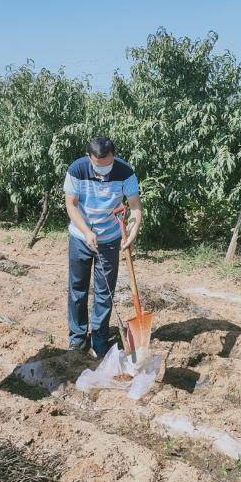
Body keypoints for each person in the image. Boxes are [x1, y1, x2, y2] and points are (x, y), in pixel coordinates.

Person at [63, 137, 142, 358]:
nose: (103, 171)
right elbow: (71, 204)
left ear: (113, 156)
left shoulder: (125, 171)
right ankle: (77, 339)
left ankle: (99, 339)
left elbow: (135, 208)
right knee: (77, 289)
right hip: (81, 236)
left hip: (110, 238)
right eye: (98, 166)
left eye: (107, 164)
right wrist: (87, 232)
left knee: (104, 292)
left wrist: (132, 233)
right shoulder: (77, 169)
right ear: (90, 158)